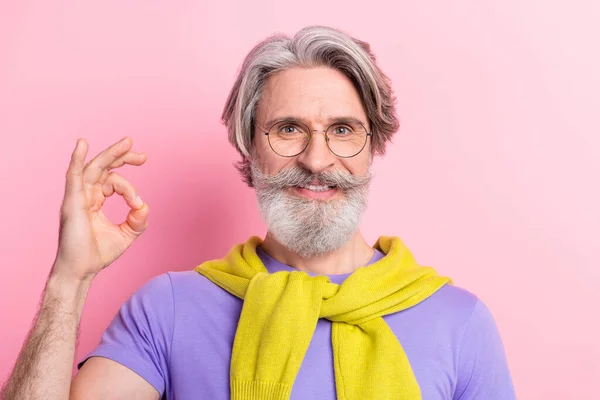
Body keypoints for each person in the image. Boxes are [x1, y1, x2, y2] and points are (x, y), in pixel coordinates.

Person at [1, 25, 516, 400]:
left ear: (373, 146)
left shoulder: (459, 322)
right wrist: (69, 278)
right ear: (250, 146)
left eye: (342, 130)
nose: (316, 160)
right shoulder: (169, 309)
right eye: (288, 129)